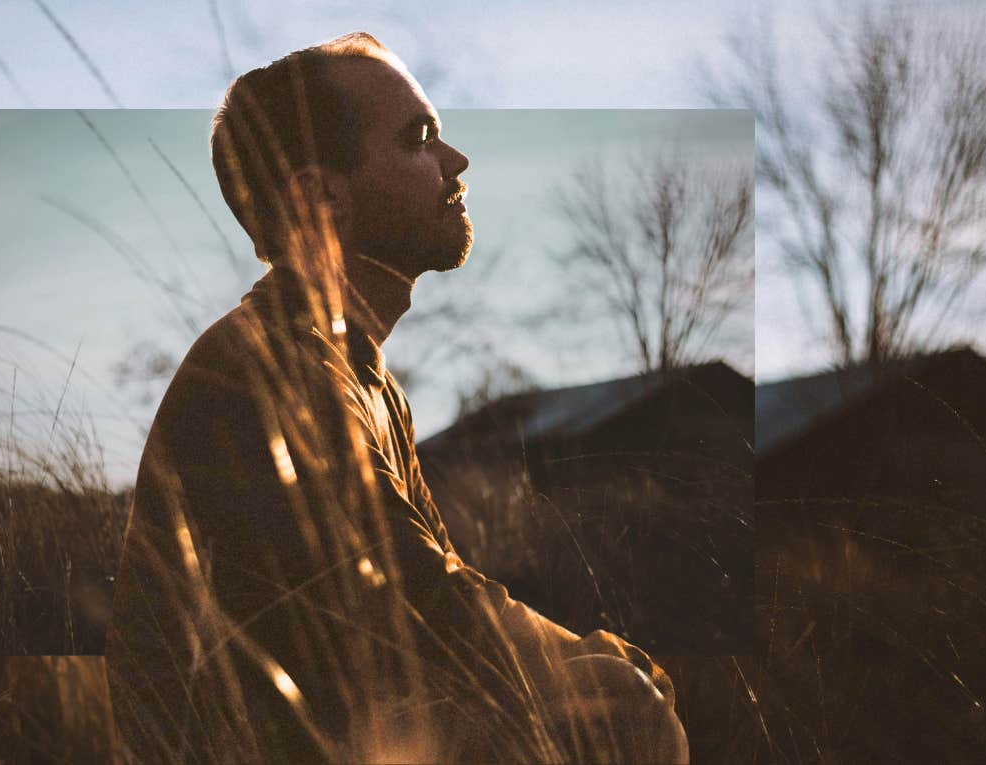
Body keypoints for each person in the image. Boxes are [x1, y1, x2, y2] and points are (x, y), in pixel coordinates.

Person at [106, 32, 687, 763]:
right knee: (616, 714)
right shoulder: (271, 369)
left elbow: (435, 595)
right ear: (323, 197)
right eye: (420, 138)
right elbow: (426, 603)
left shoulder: (364, 376)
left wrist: (586, 659)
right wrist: (585, 665)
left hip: (334, 730)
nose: (456, 162)